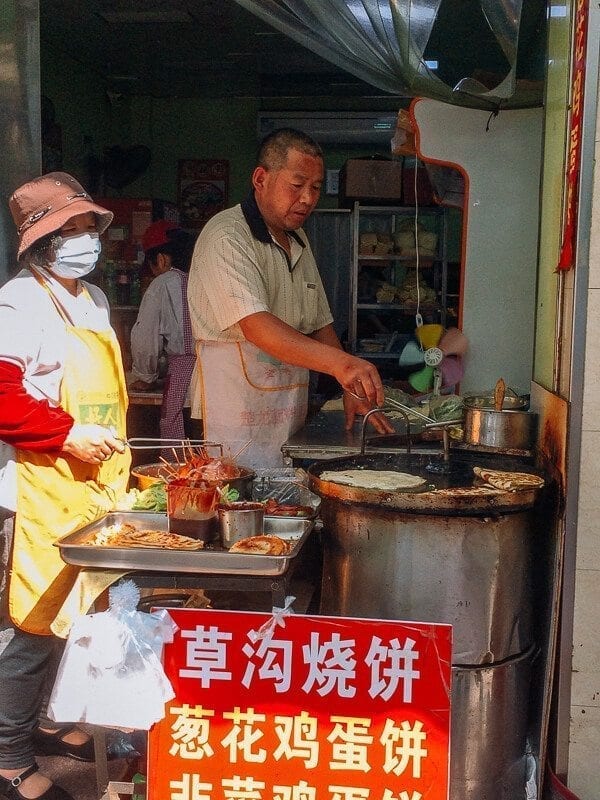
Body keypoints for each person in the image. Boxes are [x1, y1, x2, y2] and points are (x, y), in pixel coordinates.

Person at [0, 172, 130, 800]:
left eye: (87, 226)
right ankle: (8, 756)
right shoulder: (18, 303)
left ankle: (50, 723)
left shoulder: (94, 299)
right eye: (68, 229)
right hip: (35, 492)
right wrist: (66, 433)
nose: (84, 239)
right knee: (30, 628)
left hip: (90, 487)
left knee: (77, 617)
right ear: (39, 241)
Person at [187, 127, 393, 468]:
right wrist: (342, 365)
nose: (308, 199)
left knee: (284, 494)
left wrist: (351, 387)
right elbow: (257, 327)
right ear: (260, 179)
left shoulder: (297, 239)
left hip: (285, 414)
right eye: (297, 185)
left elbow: (319, 323)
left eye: (315, 188)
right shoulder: (226, 236)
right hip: (229, 416)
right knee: (232, 496)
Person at [129, 220, 201, 442]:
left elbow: (145, 339)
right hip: (216, 379)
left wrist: (145, 376)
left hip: (183, 382)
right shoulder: (207, 278)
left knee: (181, 451)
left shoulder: (163, 283)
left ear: (160, 259)